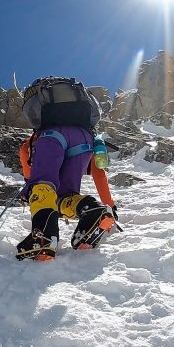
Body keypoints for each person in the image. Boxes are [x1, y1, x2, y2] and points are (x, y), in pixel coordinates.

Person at [16, 77, 117, 261]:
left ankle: (43, 238)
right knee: (64, 197)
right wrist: (109, 204)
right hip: (86, 141)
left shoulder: (35, 138)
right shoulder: (86, 129)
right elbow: (98, 171)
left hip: (52, 137)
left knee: (41, 185)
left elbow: (34, 175)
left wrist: (29, 188)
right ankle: (94, 210)